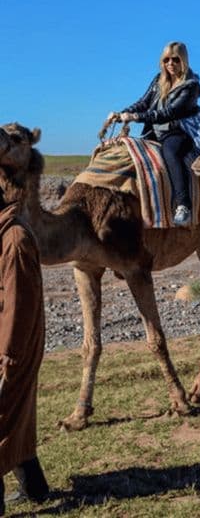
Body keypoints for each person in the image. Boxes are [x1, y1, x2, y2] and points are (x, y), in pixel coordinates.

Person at [108, 41, 200, 227]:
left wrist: (135, 117)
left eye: (175, 59)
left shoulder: (191, 86)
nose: (170, 64)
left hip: (178, 131)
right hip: (155, 131)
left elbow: (170, 113)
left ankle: (183, 205)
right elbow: (143, 102)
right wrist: (120, 114)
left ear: (184, 61)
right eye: (166, 60)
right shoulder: (159, 80)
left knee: (170, 153)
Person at [0, 199, 49, 515]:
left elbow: (19, 304)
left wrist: (8, 354)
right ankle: (35, 486)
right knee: (18, 415)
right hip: (11, 339)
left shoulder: (15, 241)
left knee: (3, 413)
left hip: (14, 344)